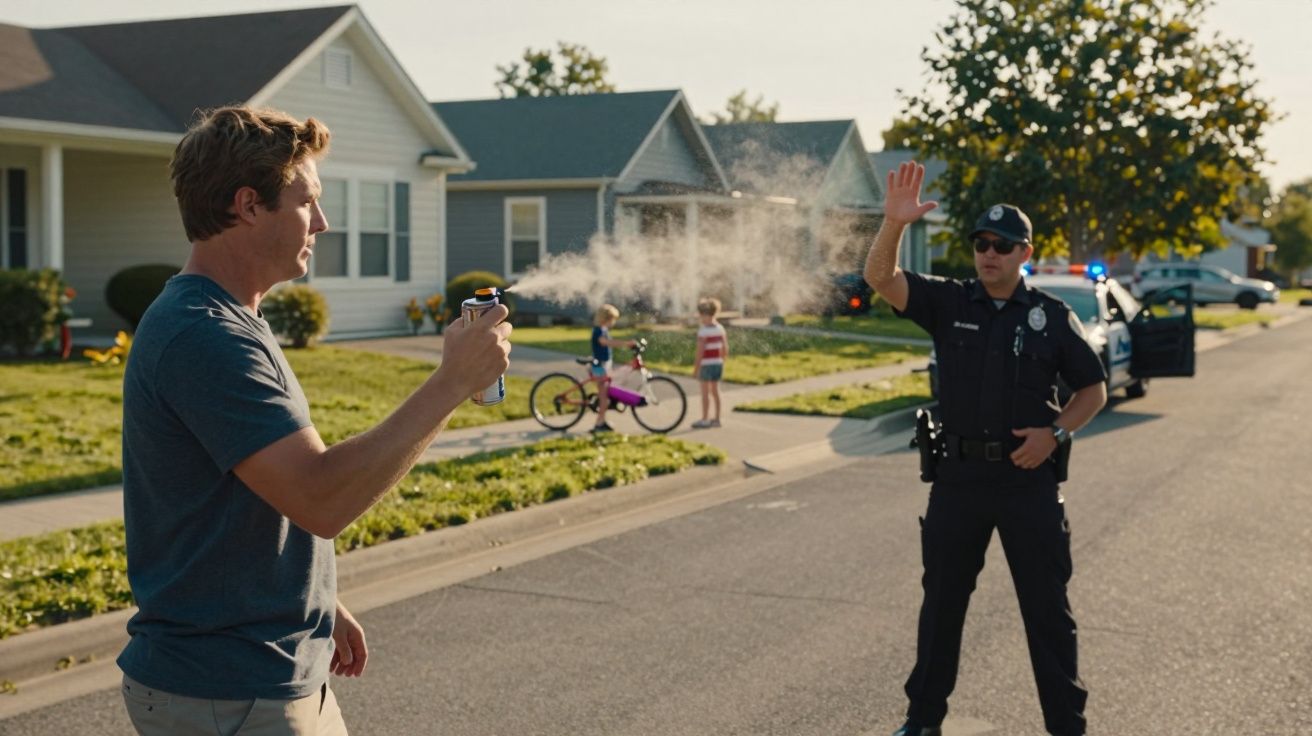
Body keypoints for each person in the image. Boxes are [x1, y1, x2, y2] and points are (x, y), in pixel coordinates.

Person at [117, 106, 511, 735]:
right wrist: (451, 383)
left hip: (265, 670)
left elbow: (255, 493)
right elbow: (319, 497)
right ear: (249, 206)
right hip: (230, 690)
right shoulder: (204, 334)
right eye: (307, 202)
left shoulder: (233, 318)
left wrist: (316, 600)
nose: (323, 222)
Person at [863, 162, 1107, 736]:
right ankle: (923, 721)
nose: (989, 254)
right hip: (960, 480)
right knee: (941, 607)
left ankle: (1067, 728)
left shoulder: (1052, 316)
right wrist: (893, 224)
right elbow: (880, 277)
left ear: (1025, 253)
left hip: (1028, 482)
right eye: (981, 244)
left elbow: (1092, 390)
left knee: (1047, 613)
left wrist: (1056, 435)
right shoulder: (949, 302)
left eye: (1002, 245)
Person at [589, 303, 635, 433]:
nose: (613, 322)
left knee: (606, 394)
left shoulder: (603, 330)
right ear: (606, 319)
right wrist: (625, 343)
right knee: (604, 397)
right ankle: (599, 424)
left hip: (604, 365)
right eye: (612, 319)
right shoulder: (598, 330)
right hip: (599, 367)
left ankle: (602, 421)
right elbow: (605, 342)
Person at [690, 296, 728, 428]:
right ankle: (717, 419)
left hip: (706, 365)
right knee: (716, 391)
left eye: (701, 315)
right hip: (718, 363)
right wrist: (722, 360)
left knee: (705, 393)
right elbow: (725, 348)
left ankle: (705, 419)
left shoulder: (703, 331)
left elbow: (700, 352)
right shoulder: (720, 328)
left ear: (705, 315)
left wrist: (696, 369)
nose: (700, 318)